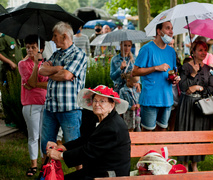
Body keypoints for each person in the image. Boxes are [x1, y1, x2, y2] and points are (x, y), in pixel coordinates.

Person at [46, 85, 130, 179]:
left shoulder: (112, 126)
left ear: (112, 105)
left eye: (102, 101)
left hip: (110, 174)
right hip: (98, 169)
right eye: (95, 100)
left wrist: (60, 155)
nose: (97, 104)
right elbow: (85, 139)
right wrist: (63, 147)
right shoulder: (100, 119)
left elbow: (88, 152)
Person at [39, 22, 87, 160]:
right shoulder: (56, 54)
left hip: (70, 109)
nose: (53, 39)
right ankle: (47, 173)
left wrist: (55, 72)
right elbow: (42, 70)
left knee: (74, 146)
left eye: (55, 36)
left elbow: (67, 75)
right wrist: (59, 68)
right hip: (51, 108)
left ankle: (80, 173)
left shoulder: (79, 54)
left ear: (65, 36)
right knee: (45, 145)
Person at [174, 40, 213, 171]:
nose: (203, 53)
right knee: (186, 133)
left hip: (201, 106)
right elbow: (183, 86)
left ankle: (195, 164)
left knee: (199, 134)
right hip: (187, 105)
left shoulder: (208, 69)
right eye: (200, 50)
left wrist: (198, 88)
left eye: (205, 50)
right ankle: (184, 164)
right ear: (193, 52)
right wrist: (192, 74)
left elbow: (211, 88)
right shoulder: (185, 67)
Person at [132, 21, 180, 131]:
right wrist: (155, 68)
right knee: (147, 134)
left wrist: (175, 79)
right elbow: (135, 72)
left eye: (172, 28)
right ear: (159, 31)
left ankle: (158, 149)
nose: (171, 32)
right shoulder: (147, 49)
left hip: (167, 98)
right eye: (168, 28)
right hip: (150, 98)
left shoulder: (171, 51)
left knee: (162, 132)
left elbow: (171, 72)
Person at [18, 35, 48, 177]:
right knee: (33, 135)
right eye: (28, 47)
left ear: (40, 49)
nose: (30, 50)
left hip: (44, 102)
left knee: (44, 135)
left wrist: (35, 84)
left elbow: (48, 83)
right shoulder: (23, 64)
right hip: (30, 104)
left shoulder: (46, 64)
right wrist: (36, 65)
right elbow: (30, 82)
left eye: (33, 47)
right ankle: (33, 165)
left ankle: (44, 163)